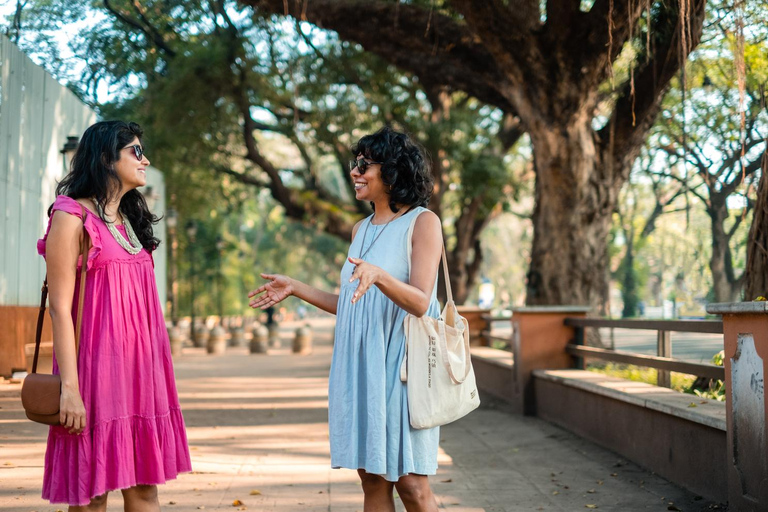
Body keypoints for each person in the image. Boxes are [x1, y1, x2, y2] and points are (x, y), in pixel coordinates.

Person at [249, 126, 443, 511]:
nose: (354, 172)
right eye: (355, 165)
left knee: (411, 484)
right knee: (371, 479)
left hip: (400, 367)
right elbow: (353, 303)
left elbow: (422, 302)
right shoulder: (361, 229)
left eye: (363, 165)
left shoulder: (423, 222)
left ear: (391, 169)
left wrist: (382, 276)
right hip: (360, 365)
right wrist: (296, 287)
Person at [37, 121, 191, 510]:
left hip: (141, 373)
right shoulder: (71, 217)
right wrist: (69, 388)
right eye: (136, 152)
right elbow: (60, 307)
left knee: (144, 488)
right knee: (92, 490)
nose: (146, 160)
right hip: (94, 372)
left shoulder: (131, 220)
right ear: (106, 157)